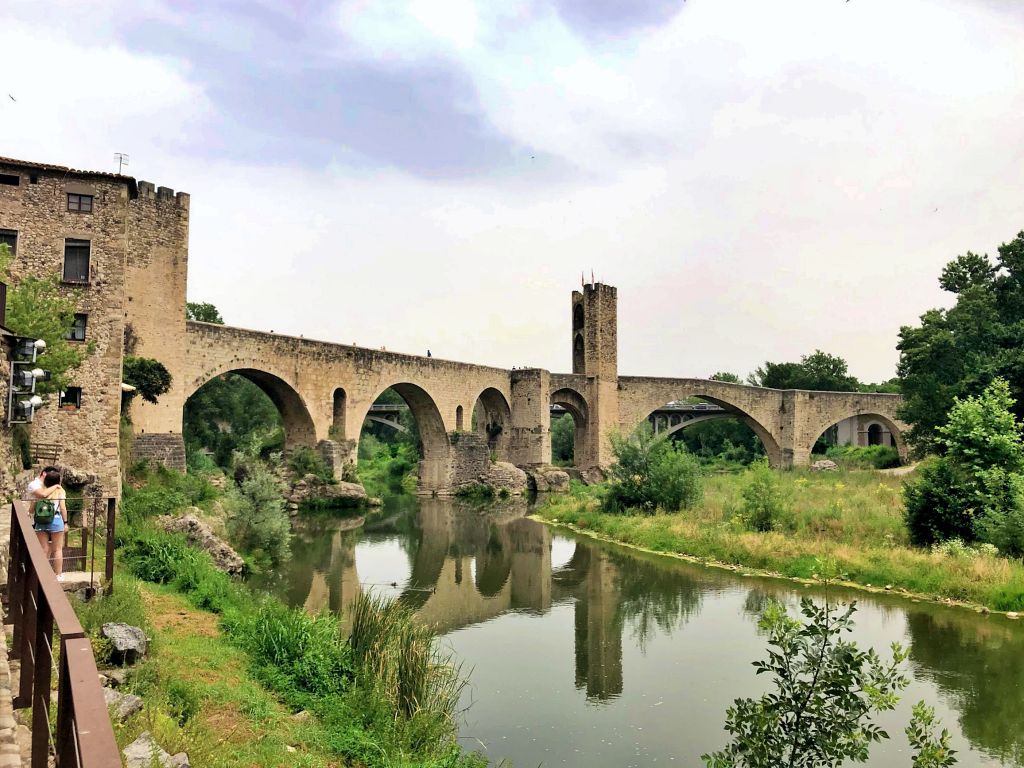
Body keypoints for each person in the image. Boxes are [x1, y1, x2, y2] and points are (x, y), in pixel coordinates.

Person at [33, 468, 66, 580]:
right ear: (58, 481)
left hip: (41, 523)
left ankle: (42, 575)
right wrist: (65, 522)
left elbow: (32, 508)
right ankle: (58, 575)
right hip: (56, 521)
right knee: (57, 549)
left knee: (44, 548)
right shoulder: (60, 491)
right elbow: (62, 508)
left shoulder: (41, 492)